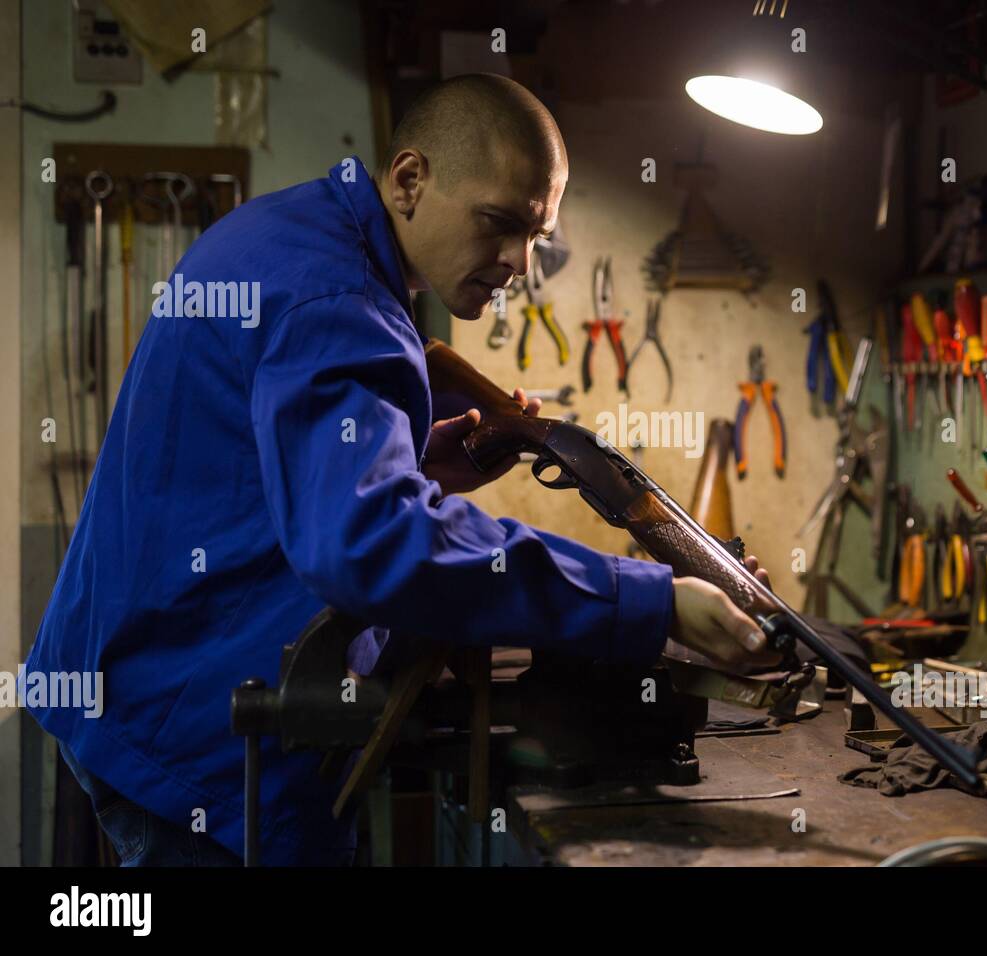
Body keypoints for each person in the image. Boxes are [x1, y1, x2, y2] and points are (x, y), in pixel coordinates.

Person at [25, 73, 778, 866]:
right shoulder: (339, 301)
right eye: (499, 223)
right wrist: (648, 602)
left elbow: (269, 477)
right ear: (410, 179)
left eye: (536, 235)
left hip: (148, 682)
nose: (519, 261)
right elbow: (366, 546)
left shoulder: (304, 237)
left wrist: (414, 468)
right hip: (195, 733)